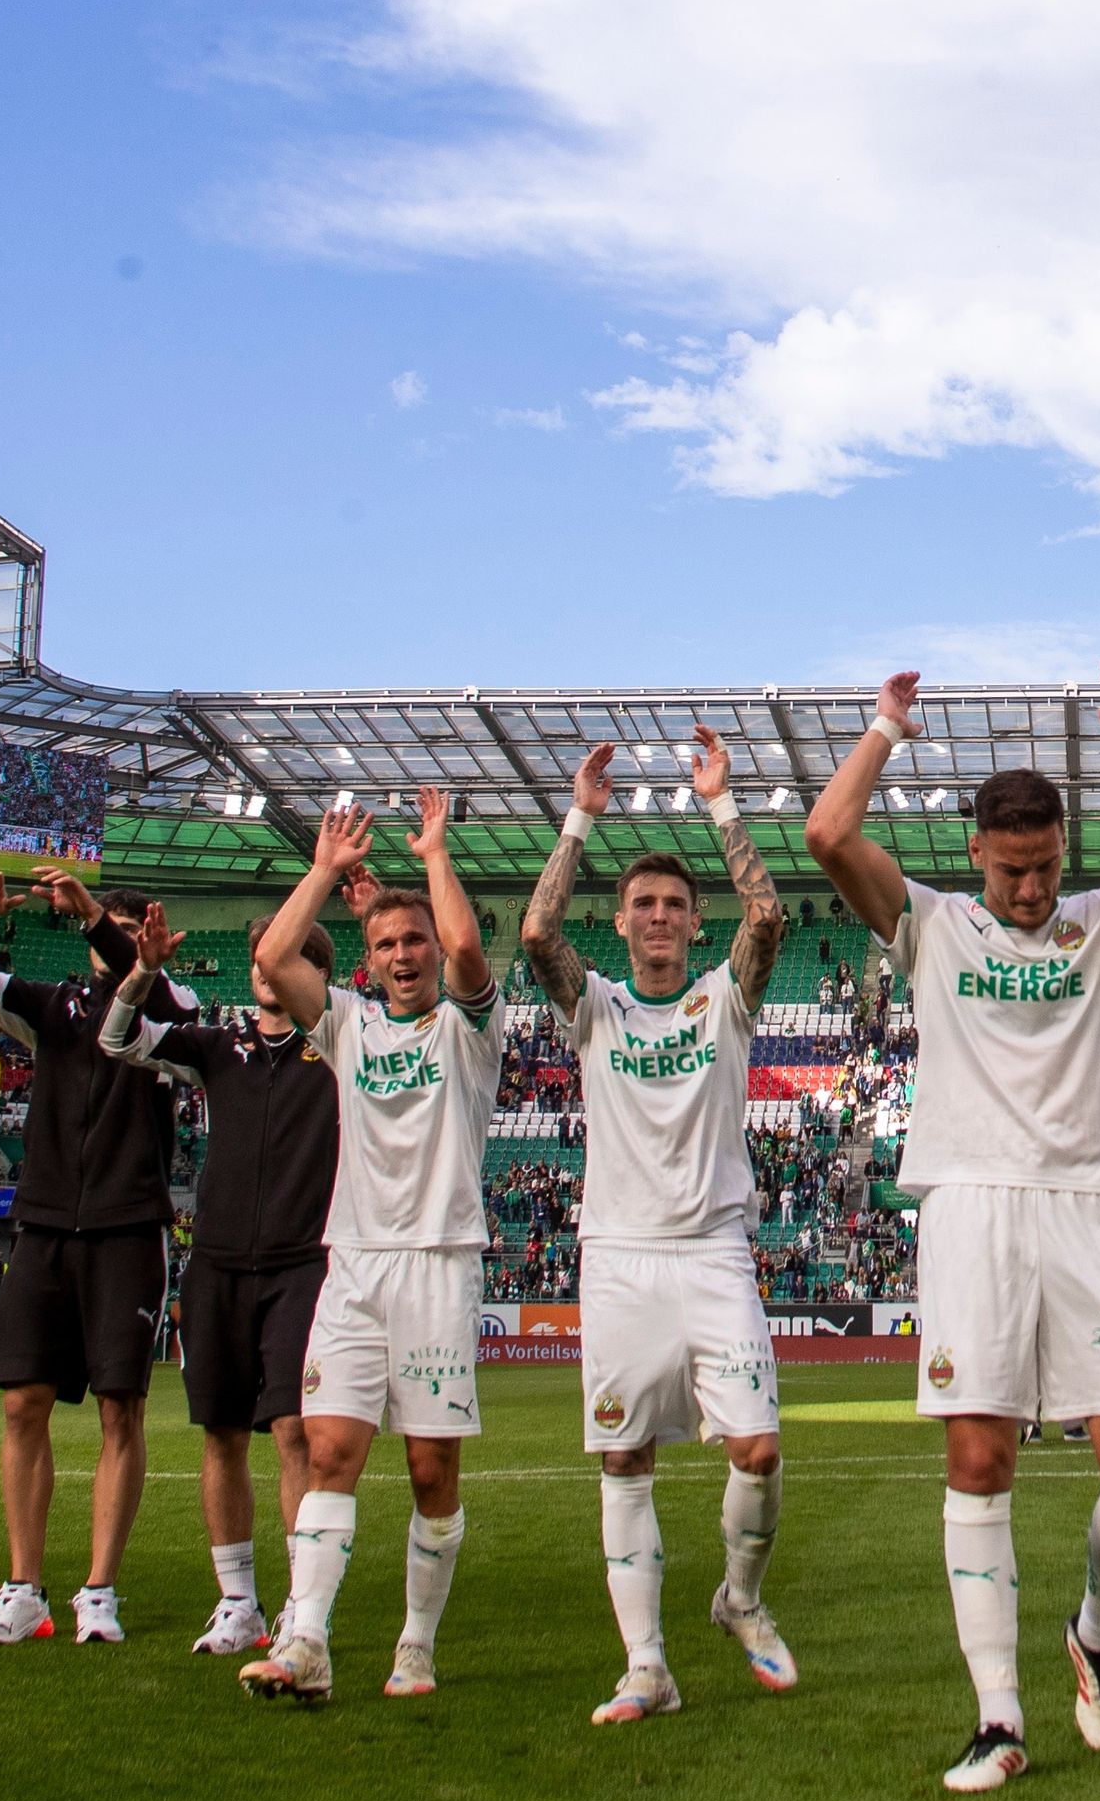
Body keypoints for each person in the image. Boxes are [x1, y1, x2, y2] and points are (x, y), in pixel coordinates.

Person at [807, 658, 1100, 1794]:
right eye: (1012, 869)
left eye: (1046, 866)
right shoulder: (931, 925)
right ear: (975, 859)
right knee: (978, 1456)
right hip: (970, 1206)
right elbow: (826, 836)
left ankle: (1092, 1636)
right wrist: (885, 728)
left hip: (1091, 1208)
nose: (1033, 888)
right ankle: (997, 1718)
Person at [520, 727, 801, 1724]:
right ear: (622, 920)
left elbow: (765, 911)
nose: (659, 917)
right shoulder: (593, 1005)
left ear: (692, 921)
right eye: (643, 904)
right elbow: (533, 937)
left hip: (715, 1252)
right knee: (624, 1460)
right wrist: (582, 817)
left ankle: (739, 1599)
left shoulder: (724, 999)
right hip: (621, 1261)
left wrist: (721, 803)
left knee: (758, 1451)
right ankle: (646, 1667)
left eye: (675, 905)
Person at [241, 791, 501, 1702]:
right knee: (328, 1450)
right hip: (351, 1264)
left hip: (437, 1260)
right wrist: (321, 869)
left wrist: (433, 854)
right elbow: (274, 957)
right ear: (368, 960)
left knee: (431, 1469)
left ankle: (415, 1644)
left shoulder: (470, 1029)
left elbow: (471, 951)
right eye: (387, 945)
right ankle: (305, 1640)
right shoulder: (345, 1023)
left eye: (414, 941)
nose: (403, 955)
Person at [101, 904, 337, 1660]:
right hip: (217, 1263)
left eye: (289, 957)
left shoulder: (339, 1048)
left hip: (306, 1264)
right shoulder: (216, 1047)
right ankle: (238, 1601)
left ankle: (304, 1606)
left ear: (314, 974)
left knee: (295, 1433)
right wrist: (143, 969)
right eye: (263, 959)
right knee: (222, 1433)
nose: (270, 970)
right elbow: (115, 1037)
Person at [0, 868, 188, 1647]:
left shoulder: (172, 1006)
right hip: (45, 1222)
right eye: (114, 925)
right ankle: (22, 1587)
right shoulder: (53, 1009)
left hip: (129, 1226)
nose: (124, 938)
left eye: (134, 928)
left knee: (119, 1408)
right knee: (22, 1402)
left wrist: (103, 922)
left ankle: (100, 1589)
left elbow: (143, 1005)